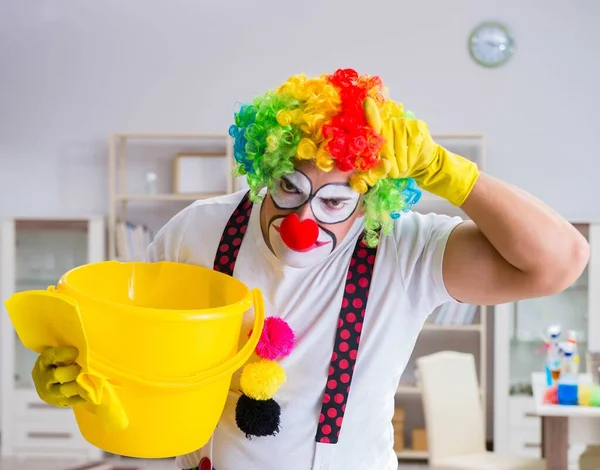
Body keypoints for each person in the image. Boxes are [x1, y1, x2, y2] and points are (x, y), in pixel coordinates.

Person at [31, 68, 589, 470]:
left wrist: (449, 172)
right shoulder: (196, 231)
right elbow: (136, 360)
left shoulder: (402, 248)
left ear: (371, 201)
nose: (302, 220)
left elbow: (560, 263)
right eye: (289, 189)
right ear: (264, 168)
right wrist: (84, 377)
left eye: (333, 204)